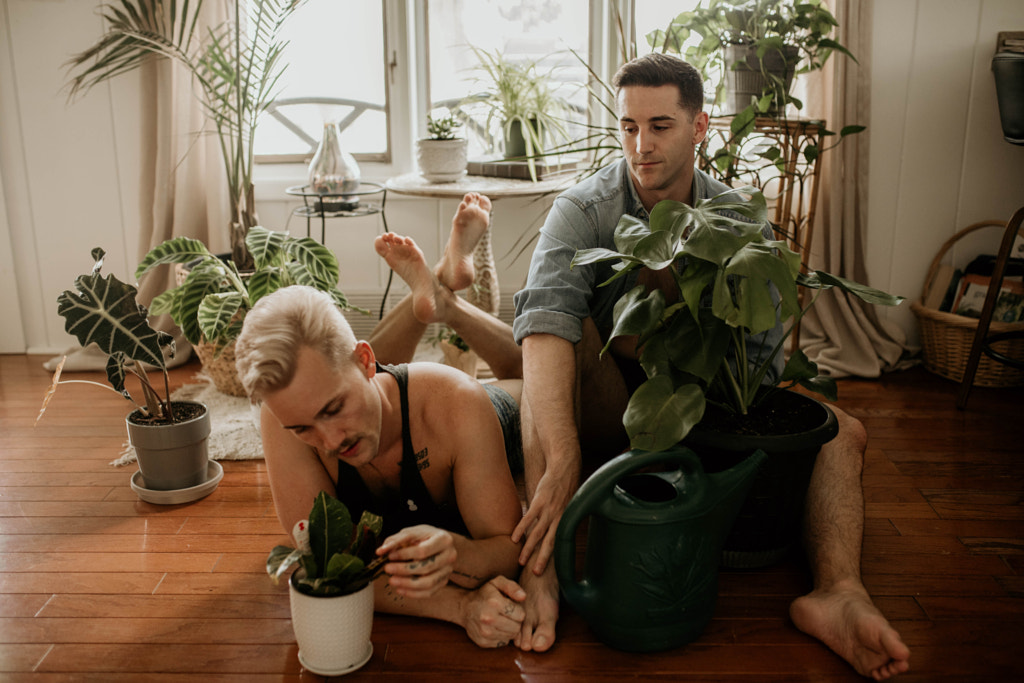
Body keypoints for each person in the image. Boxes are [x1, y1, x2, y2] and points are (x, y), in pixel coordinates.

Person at [510, 53, 911, 680]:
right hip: (612, 409)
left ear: (700, 129)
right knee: (556, 351)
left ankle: (838, 592)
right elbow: (544, 324)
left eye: (661, 126)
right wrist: (563, 457)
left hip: (705, 407)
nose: (640, 146)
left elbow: (758, 363)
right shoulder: (583, 209)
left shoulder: (735, 215)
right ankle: (541, 571)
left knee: (846, 434)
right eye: (628, 126)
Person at [235, 193, 529, 648]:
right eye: (303, 428)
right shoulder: (284, 419)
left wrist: (460, 555)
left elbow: (506, 551)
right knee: (347, 390)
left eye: (333, 409)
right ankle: (433, 289)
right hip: (394, 392)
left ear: (367, 359)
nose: (330, 441)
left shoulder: (455, 403)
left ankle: (444, 300)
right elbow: (327, 568)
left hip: (503, 407)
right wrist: (460, 607)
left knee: (533, 373)